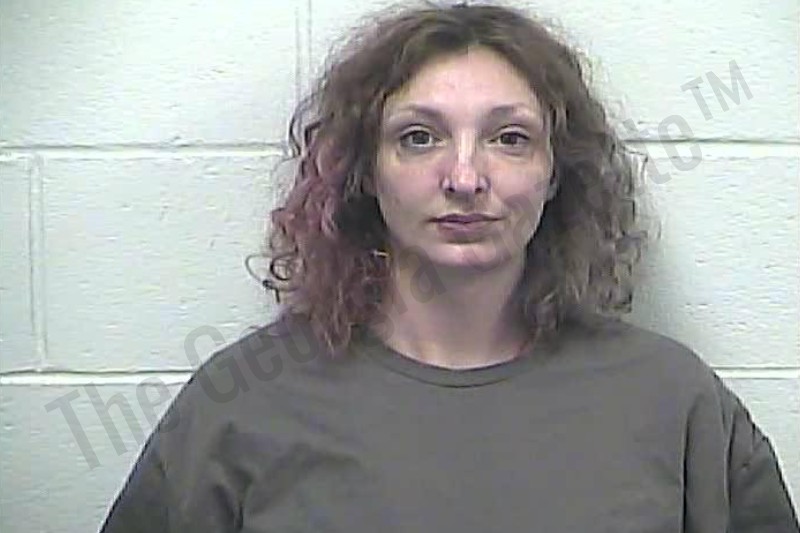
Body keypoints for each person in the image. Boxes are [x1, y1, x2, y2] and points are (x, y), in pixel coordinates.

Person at [99, 2, 799, 531]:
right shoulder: (239, 405)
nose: (465, 177)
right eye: (418, 137)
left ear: (556, 173)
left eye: (510, 138)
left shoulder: (674, 402)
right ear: (365, 172)